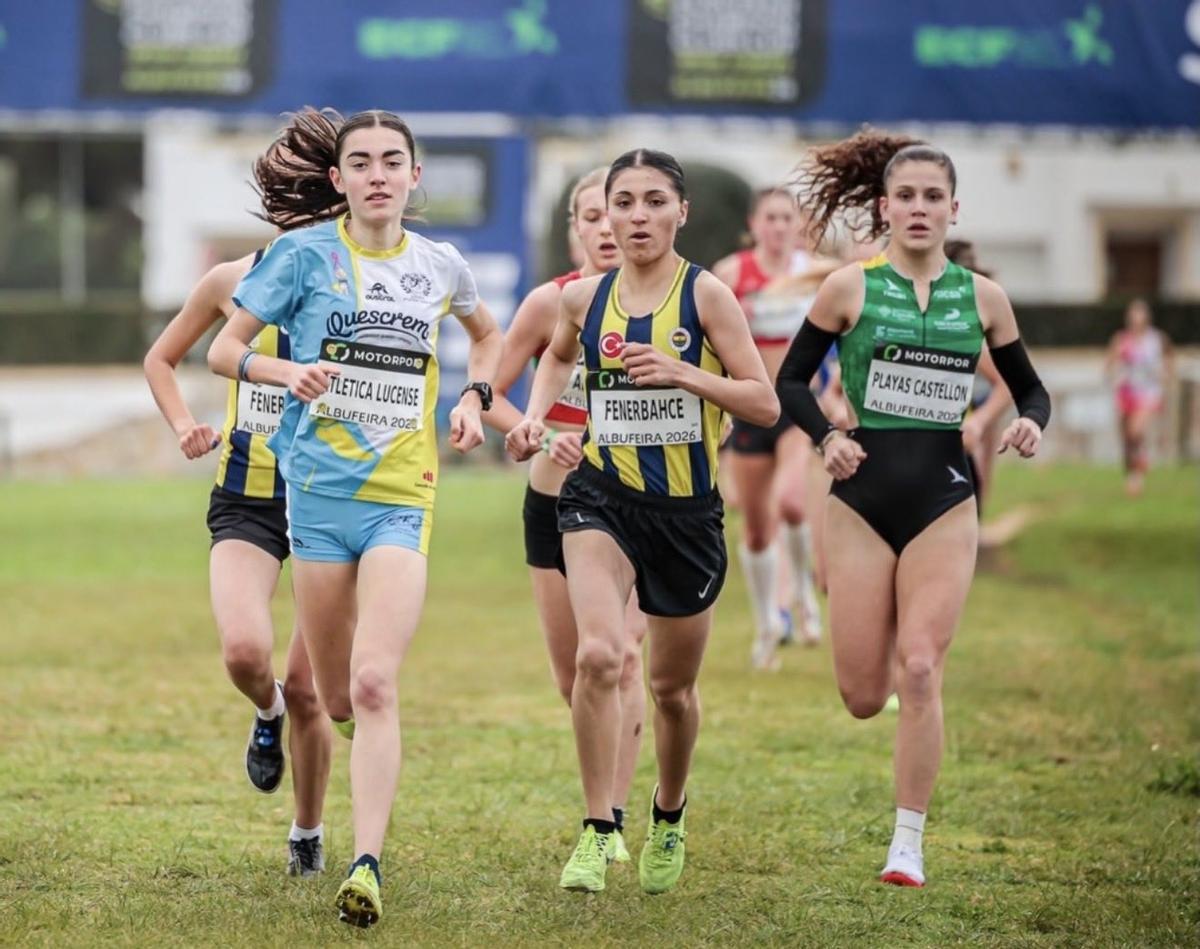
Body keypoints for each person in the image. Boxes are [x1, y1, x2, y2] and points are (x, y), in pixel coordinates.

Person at [208, 109, 502, 928]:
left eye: (393, 161)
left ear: (415, 177)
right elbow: (224, 350)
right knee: (332, 694)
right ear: (337, 180)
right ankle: (313, 748)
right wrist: (285, 367)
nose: (378, 174)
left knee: (375, 681)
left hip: (402, 500)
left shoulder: (441, 266)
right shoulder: (302, 256)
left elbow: (488, 336)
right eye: (362, 162)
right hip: (317, 502)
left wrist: (477, 399)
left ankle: (365, 862)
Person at [776, 130, 1051, 888]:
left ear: (953, 208)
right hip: (861, 501)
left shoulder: (983, 298)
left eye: (935, 196)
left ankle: (908, 843)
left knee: (923, 668)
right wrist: (827, 438)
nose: (920, 208)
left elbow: (1031, 388)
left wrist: (1029, 420)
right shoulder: (849, 289)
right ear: (884, 207)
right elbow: (790, 384)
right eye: (907, 196)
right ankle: (892, 645)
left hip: (943, 499)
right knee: (865, 696)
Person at [506, 149, 778, 896]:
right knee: (598, 656)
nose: (635, 217)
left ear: (680, 212)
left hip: (687, 517)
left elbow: (764, 402)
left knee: (670, 691)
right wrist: (533, 418)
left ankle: (669, 807)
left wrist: (686, 373)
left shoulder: (709, 297)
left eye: (654, 202)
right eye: (622, 202)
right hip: (600, 498)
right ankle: (599, 828)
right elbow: (556, 360)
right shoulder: (582, 300)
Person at [142, 107, 349, 879]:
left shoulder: (362, 285)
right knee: (244, 651)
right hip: (247, 498)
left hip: (332, 499)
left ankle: (308, 830)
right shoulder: (232, 280)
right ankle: (261, 715)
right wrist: (185, 426)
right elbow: (162, 359)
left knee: (311, 692)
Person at [482, 168, 647, 862]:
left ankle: (608, 817)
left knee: (621, 655)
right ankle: (601, 801)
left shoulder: (671, 303)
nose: (606, 228)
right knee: (573, 673)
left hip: (640, 500)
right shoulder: (549, 304)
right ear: (575, 227)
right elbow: (487, 394)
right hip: (553, 498)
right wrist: (536, 429)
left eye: (614, 211)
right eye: (591, 216)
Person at [713, 189, 835, 668]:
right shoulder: (731, 274)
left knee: (790, 500)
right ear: (754, 224)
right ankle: (767, 621)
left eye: (788, 218)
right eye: (771, 218)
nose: (780, 226)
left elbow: (844, 331)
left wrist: (838, 387)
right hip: (748, 404)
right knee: (758, 529)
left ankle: (802, 592)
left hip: (796, 404)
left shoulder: (817, 272)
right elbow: (709, 336)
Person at [1106, 297, 1173, 496]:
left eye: (1140, 313)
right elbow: (1109, 365)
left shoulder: (1156, 339)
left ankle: (1140, 464)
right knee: (1127, 438)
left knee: (1136, 431)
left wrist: (1165, 373)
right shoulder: (1121, 340)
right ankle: (1132, 476)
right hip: (1127, 392)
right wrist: (1114, 374)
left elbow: (1169, 360)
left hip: (1148, 393)